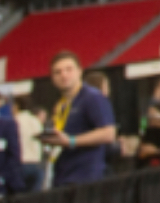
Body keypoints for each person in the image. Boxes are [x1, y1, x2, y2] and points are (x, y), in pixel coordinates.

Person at [42, 51, 118, 187]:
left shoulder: (92, 97)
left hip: (86, 178)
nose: (63, 75)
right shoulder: (60, 104)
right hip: (63, 175)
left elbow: (109, 133)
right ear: (52, 78)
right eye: (57, 72)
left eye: (68, 69)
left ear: (79, 71)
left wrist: (71, 141)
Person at [15, 101, 47, 192]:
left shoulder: (14, 120)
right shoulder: (35, 121)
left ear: (16, 107)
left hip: (21, 164)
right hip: (37, 164)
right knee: (35, 200)